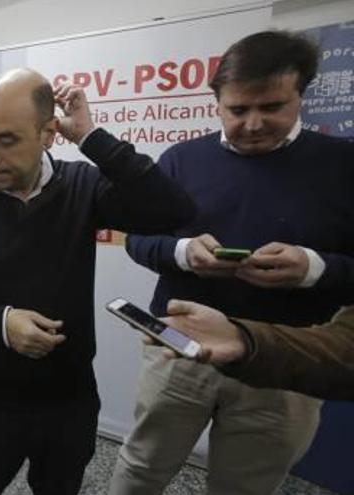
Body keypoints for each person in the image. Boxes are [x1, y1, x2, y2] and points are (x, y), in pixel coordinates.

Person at [0, 68, 195, 495]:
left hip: (67, 398)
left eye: (5, 139)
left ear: (48, 134)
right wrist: (1, 324)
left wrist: (93, 137)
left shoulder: (83, 187)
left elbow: (173, 211)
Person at [110, 31, 354, 495]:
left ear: (300, 96)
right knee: (142, 466)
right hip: (179, 346)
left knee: (245, 486)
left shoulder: (344, 166)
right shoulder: (182, 160)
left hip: (288, 361)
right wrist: (182, 254)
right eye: (239, 110)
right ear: (217, 102)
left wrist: (314, 268)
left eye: (273, 107)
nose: (254, 123)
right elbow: (139, 238)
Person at [155, 300, 354, 401]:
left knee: (252, 476)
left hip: (290, 366)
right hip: (213, 341)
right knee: (143, 465)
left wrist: (313, 267)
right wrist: (246, 340)